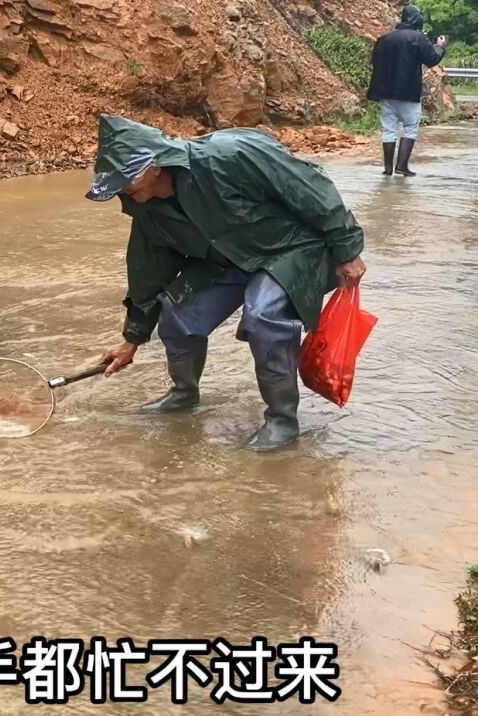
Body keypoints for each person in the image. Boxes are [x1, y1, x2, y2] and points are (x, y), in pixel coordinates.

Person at [87, 116, 367, 451]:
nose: (124, 192)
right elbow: (145, 272)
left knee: (264, 313)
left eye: (126, 182)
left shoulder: (229, 155)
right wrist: (132, 338)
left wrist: (347, 248)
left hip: (289, 249)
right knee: (175, 312)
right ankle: (184, 394)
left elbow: (310, 187)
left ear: (155, 166)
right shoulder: (146, 208)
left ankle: (282, 420)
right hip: (228, 260)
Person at [367, 5, 447, 177]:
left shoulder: (384, 39)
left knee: (389, 129)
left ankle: (388, 169)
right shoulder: (418, 37)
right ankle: (402, 166)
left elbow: (374, 61)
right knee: (410, 127)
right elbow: (431, 59)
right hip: (408, 92)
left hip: (386, 93)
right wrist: (439, 46)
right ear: (417, 19)